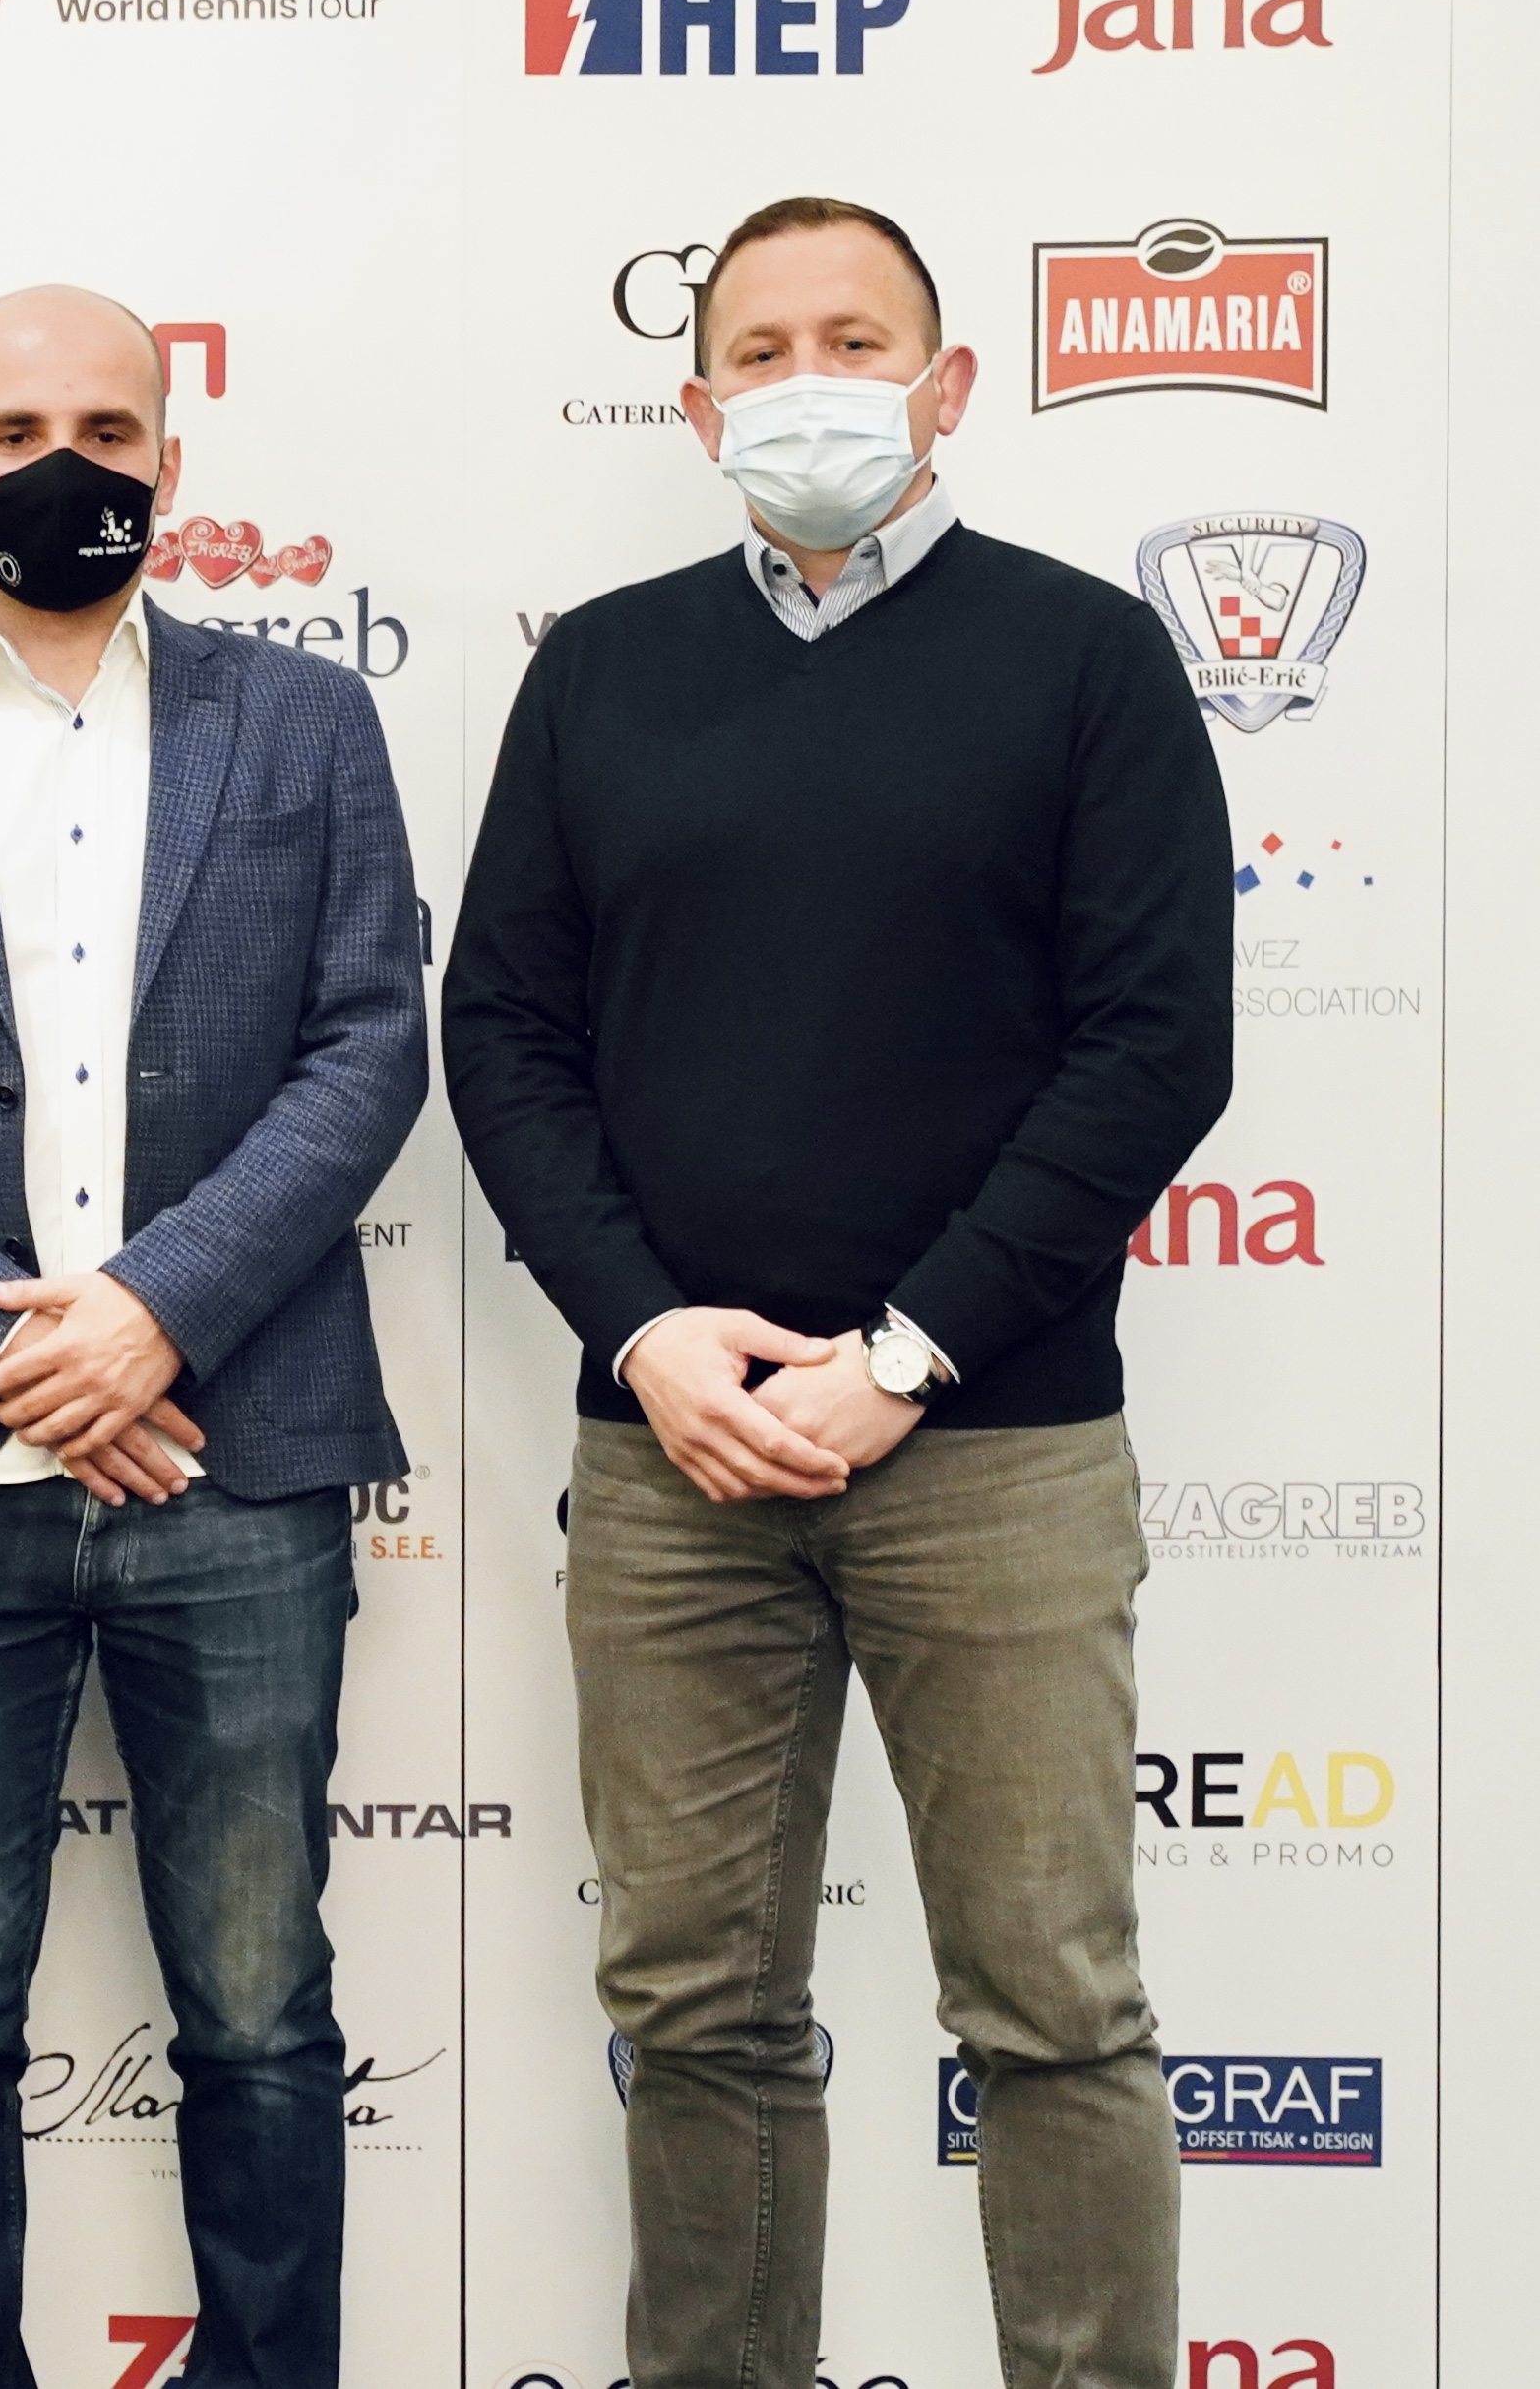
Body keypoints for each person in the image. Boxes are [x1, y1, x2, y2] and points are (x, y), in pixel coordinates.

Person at [443, 197, 1228, 2389]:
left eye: (855, 340)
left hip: (992, 1449)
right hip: (672, 1454)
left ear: (944, 383)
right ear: (697, 409)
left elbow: (1154, 1044)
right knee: (691, 2006)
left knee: (1051, 2007)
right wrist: (644, 1331)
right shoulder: (599, 671)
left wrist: (906, 1352)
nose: (810, 381)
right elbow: (501, 1029)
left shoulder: (1083, 658)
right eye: (762, 349)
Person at [0, 286, 425, 2389]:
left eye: (107, 430)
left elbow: (367, 1048)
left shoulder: (303, 725)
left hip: (239, 1454)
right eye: (14, 430)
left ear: (170, 466)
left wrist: (153, 1315)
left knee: (258, 2011)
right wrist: (28, 1347)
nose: (64, 466)